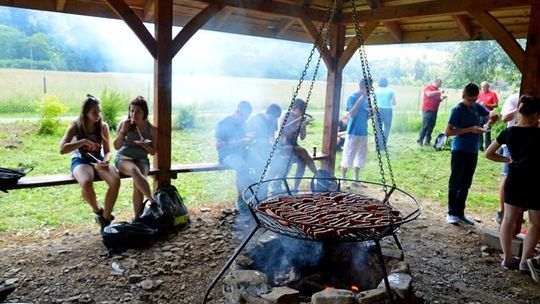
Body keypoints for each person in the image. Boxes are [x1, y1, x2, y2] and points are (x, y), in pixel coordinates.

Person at [484, 95, 540, 280]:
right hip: (535, 182)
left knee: (508, 219)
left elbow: (489, 153)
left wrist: (507, 159)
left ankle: (507, 258)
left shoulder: (509, 132)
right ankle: (524, 262)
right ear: (535, 115)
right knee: (536, 223)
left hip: (514, 179)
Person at [60, 94, 120, 230]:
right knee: (86, 181)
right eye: (94, 112)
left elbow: (108, 151)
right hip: (80, 160)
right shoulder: (75, 126)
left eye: (99, 111)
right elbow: (62, 149)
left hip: (98, 159)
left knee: (115, 180)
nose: (98, 115)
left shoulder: (103, 126)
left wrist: (105, 160)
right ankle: (98, 211)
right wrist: (83, 141)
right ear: (85, 113)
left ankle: (105, 218)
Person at [444, 83, 497, 225]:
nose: (472, 102)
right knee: (456, 182)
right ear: (463, 96)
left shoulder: (476, 106)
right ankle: (451, 212)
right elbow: (448, 132)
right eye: (470, 100)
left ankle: (460, 212)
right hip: (460, 149)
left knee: (466, 182)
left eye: (475, 99)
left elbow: (489, 113)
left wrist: (492, 117)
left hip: (472, 150)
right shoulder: (457, 110)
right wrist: (470, 129)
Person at [114, 96, 158, 220]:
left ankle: (137, 218)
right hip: (123, 158)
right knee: (135, 171)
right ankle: (153, 202)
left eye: (138, 111)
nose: (134, 114)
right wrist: (123, 131)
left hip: (142, 159)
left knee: (139, 184)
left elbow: (153, 152)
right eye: (132, 111)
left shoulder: (152, 129)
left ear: (145, 113)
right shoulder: (124, 124)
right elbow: (117, 146)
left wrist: (145, 146)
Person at [215, 101, 255, 225]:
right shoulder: (223, 123)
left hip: (242, 152)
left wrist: (250, 139)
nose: (245, 120)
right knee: (242, 168)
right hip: (226, 155)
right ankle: (242, 205)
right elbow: (218, 145)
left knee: (262, 163)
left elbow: (246, 137)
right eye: (244, 117)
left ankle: (256, 200)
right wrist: (239, 142)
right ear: (238, 112)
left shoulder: (243, 124)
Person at [276, 98, 318, 191]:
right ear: (294, 108)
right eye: (300, 110)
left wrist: (303, 126)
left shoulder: (301, 118)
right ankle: (318, 175)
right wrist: (298, 123)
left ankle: (295, 187)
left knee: (303, 161)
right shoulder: (286, 115)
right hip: (281, 144)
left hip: (293, 144)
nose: (302, 113)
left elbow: (303, 137)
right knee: (303, 151)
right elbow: (284, 131)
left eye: (303, 111)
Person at [341, 79, 371, 186]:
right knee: (348, 155)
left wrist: (372, 113)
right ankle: (343, 178)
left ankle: (356, 179)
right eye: (367, 89)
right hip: (353, 132)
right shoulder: (352, 97)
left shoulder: (368, 99)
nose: (368, 92)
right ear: (361, 87)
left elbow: (366, 117)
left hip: (363, 131)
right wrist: (359, 101)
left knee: (361, 156)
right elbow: (352, 114)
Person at [496, 93, 519, 225]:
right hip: (511, 144)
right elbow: (504, 118)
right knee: (507, 178)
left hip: (531, 143)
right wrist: (520, 108)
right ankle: (502, 211)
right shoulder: (513, 98)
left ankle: (517, 212)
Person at [246, 103, 282, 178]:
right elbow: (247, 136)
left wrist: (274, 144)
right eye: (272, 118)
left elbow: (272, 136)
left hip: (266, 148)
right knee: (261, 167)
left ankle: (265, 184)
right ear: (267, 113)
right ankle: (258, 185)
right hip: (254, 149)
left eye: (275, 118)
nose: (274, 120)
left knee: (281, 163)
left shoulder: (274, 120)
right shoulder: (255, 119)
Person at [418, 78, 446, 146]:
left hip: (434, 110)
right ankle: (420, 140)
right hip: (427, 110)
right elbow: (429, 94)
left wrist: (442, 98)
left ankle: (427, 141)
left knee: (431, 125)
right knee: (425, 125)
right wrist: (439, 92)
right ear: (436, 82)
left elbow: (438, 100)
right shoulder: (428, 87)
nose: (440, 85)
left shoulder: (437, 90)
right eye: (439, 84)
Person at [374, 77, 396, 150]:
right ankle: (383, 146)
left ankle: (378, 146)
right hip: (388, 110)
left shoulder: (376, 91)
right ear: (387, 83)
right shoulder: (390, 91)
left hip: (378, 110)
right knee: (387, 128)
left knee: (378, 128)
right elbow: (394, 103)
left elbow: (373, 102)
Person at [477, 81, 499, 151]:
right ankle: (480, 146)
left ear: (488, 87)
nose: (483, 88)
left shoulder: (492, 94)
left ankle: (488, 146)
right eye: (482, 87)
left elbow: (496, 104)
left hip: (489, 115)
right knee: (479, 129)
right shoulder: (479, 94)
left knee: (487, 130)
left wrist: (486, 105)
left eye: (485, 87)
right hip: (480, 114)